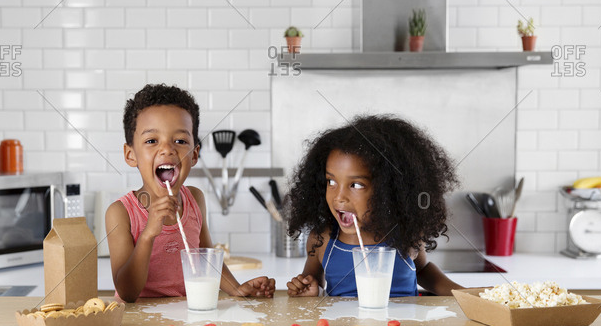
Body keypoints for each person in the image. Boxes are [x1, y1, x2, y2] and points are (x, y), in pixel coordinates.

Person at [106, 84, 275, 302]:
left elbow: (206, 257)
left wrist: (236, 289)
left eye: (180, 141)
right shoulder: (120, 213)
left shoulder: (195, 199)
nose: (167, 149)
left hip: (185, 314)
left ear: (194, 155)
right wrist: (148, 234)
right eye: (151, 141)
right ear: (131, 155)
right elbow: (127, 292)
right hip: (139, 321)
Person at [285, 114, 462, 297]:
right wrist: (307, 288)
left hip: (406, 325)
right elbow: (312, 284)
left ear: (389, 190)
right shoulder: (322, 239)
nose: (339, 197)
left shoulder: (405, 233)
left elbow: (422, 270)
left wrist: (464, 294)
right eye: (331, 182)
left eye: (356, 185)